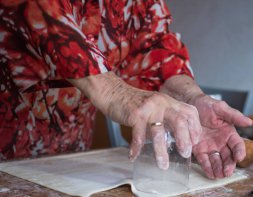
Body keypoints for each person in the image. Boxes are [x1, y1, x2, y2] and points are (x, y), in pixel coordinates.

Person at [0, 0, 251, 180]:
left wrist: (192, 98)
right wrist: (116, 93)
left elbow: (153, 46)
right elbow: (37, 11)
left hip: (73, 159)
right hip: (8, 145)